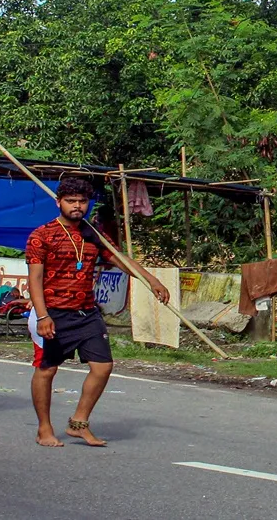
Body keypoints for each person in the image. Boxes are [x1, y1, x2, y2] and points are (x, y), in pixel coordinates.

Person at [26, 177, 170, 448]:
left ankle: (78, 423)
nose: (77, 206)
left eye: (82, 201)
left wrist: (151, 280)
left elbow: (119, 258)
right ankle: (44, 428)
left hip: (86, 312)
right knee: (47, 370)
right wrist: (43, 315)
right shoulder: (41, 235)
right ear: (59, 203)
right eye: (71, 201)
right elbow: (34, 278)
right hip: (53, 313)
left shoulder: (92, 234)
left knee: (103, 366)